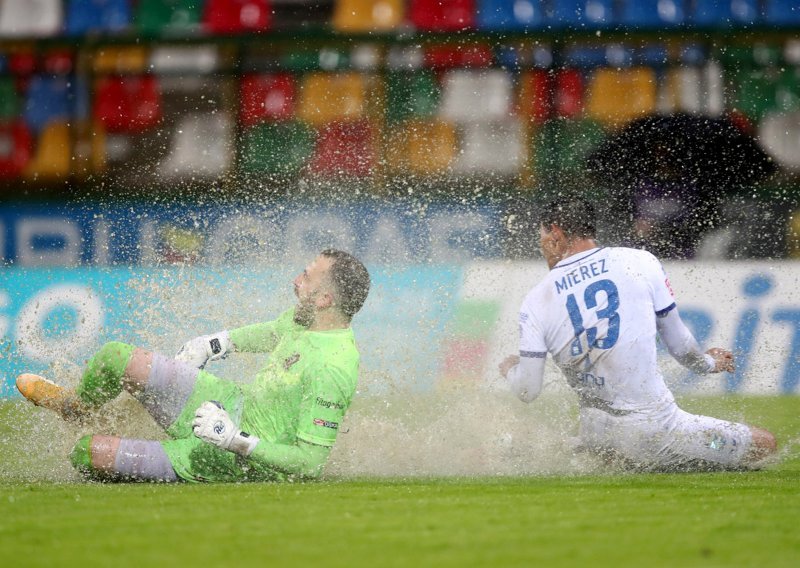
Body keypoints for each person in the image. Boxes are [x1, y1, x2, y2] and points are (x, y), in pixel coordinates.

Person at [16, 249, 371, 482]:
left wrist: (236, 440)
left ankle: (152, 458)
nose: (296, 281)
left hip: (234, 459)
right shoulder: (305, 315)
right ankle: (77, 408)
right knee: (115, 357)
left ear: (325, 299)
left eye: (306, 277)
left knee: (85, 453)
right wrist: (214, 344)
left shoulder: (333, 367)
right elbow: (273, 332)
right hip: (227, 401)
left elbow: (310, 464)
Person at [499, 199, 777, 471]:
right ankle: (683, 453)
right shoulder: (639, 261)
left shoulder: (535, 300)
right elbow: (681, 346)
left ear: (556, 233)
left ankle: (559, 448)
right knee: (764, 445)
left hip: (598, 433)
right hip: (657, 433)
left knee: (603, 440)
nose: (543, 248)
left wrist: (513, 370)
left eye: (542, 239)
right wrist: (709, 363)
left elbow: (527, 390)